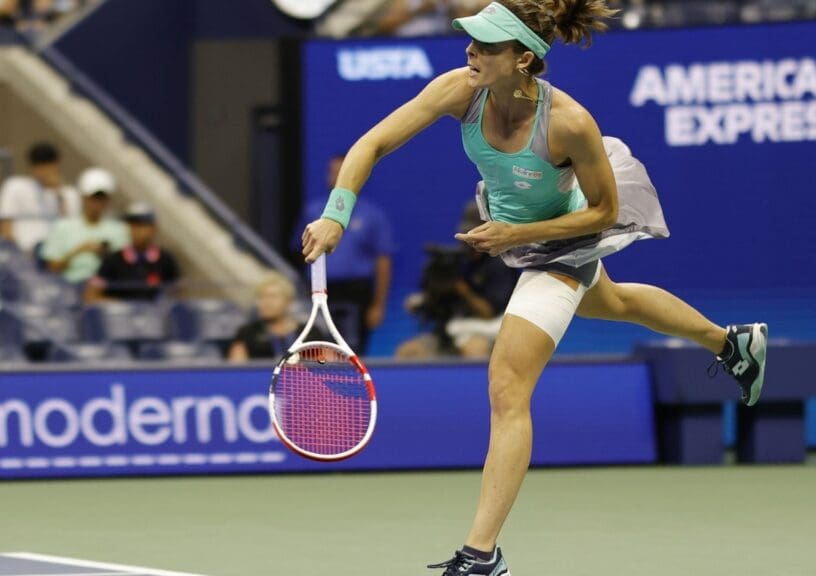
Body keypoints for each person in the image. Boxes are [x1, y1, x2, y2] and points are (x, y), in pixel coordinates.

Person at [300, 2, 769, 574]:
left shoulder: (569, 122)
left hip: (565, 236)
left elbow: (605, 210)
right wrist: (335, 216)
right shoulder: (459, 89)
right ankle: (731, 344)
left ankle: (481, 555)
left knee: (507, 384)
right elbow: (370, 144)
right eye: (470, 41)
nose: (470, 52)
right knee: (613, 302)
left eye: (486, 46)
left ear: (524, 59)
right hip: (517, 229)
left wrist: (518, 232)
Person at [299, 154, 394, 355]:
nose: (336, 177)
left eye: (342, 172)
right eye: (333, 172)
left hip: (356, 292)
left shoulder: (373, 215)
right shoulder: (312, 211)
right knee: (319, 353)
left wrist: (378, 304)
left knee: (353, 352)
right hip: (318, 289)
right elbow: (300, 249)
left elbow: (383, 260)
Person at [40, 167, 129, 284]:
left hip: (105, 288)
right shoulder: (63, 227)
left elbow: (125, 269)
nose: (97, 204)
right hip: (69, 286)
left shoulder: (120, 230)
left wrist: (106, 255)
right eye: (93, 198)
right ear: (83, 197)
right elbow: (52, 267)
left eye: (102, 199)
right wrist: (79, 251)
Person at [84, 202, 180, 302]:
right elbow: (91, 296)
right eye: (132, 224)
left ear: (153, 228)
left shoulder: (166, 260)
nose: (135, 229)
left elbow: (176, 295)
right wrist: (122, 306)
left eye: (141, 224)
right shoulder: (113, 260)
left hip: (154, 315)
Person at [0, 142, 80, 254]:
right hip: (22, 253)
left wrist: (59, 193)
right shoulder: (13, 186)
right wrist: (18, 254)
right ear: (31, 167)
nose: (44, 170)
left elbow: (72, 228)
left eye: (49, 164)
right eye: (39, 165)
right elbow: (5, 227)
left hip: (58, 254)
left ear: (57, 165)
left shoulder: (69, 194)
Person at [228, 273, 313, 362]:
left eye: (273, 297)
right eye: (261, 297)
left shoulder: (310, 332)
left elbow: (325, 366)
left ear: (289, 301)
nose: (266, 303)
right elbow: (236, 370)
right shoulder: (246, 333)